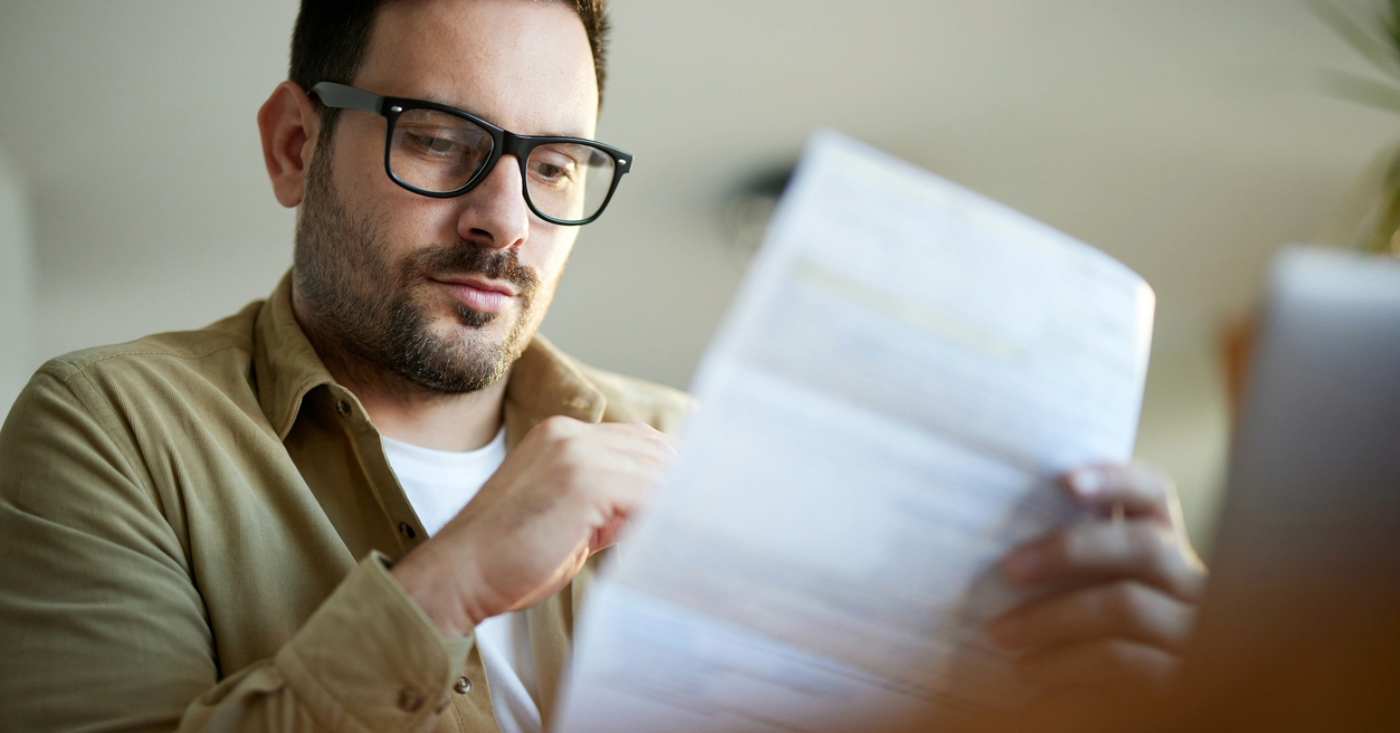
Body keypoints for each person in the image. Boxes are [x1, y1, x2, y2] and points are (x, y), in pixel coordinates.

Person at [0, 1, 1207, 731]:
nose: (504, 219)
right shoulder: (111, 425)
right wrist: (453, 582)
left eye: (557, 165)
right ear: (292, 143)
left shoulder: (706, 445)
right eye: (437, 138)